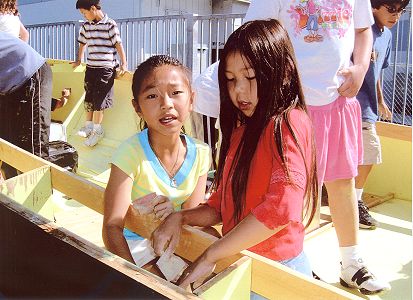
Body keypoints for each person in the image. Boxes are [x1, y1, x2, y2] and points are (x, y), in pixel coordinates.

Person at [151, 19, 318, 289]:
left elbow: (281, 208)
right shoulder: (242, 132)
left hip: (277, 275)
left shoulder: (289, 123)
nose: (239, 90)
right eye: (230, 80)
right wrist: (179, 217)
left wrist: (211, 254)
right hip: (241, 264)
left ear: (285, 71)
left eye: (250, 77)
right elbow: (221, 207)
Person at [244, 0, 391, 295]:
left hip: (338, 102)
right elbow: (252, 34)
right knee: (293, 190)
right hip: (290, 107)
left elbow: (363, 30)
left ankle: (351, 262)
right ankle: (296, 258)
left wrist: (361, 67)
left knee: (342, 185)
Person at [102, 55, 211, 266]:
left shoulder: (201, 152)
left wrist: (175, 214)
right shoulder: (130, 153)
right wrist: (134, 278)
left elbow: (191, 218)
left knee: (212, 242)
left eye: (176, 93)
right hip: (135, 244)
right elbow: (111, 228)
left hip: (173, 238)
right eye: (152, 96)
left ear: (191, 100)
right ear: (137, 107)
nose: (166, 104)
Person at [355, 0, 410, 230]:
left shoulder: (386, 36)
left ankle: (355, 201)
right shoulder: (357, 30)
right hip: (344, 105)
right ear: (374, 6)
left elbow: (377, 72)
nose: (396, 16)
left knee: (369, 154)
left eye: (401, 11)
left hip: (367, 109)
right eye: (392, 9)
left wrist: (380, 99)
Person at [72, 0, 127, 147]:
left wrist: (124, 63)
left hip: (105, 68)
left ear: (93, 8)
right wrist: (78, 60)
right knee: (89, 96)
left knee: (99, 99)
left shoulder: (110, 24)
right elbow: (82, 43)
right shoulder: (86, 26)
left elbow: (118, 44)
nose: (84, 16)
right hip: (91, 67)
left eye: (84, 13)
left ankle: (98, 130)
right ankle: (88, 126)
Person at [0, 32, 52, 179]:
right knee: (6, 145)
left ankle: (38, 198)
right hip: (8, 86)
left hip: (31, 73)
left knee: (34, 147)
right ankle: (11, 197)